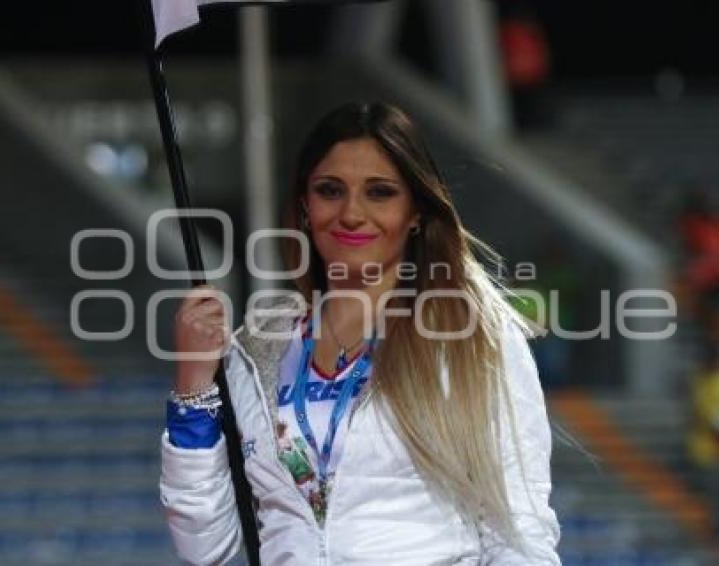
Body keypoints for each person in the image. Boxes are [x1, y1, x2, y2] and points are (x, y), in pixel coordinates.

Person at [160, 102, 561, 564]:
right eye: (330, 190)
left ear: (415, 212)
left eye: (380, 192)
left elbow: (520, 537)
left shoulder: (473, 340)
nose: (351, 213)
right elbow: (206, 546)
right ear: (305, 207)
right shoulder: (255, 350)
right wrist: (192, 384)